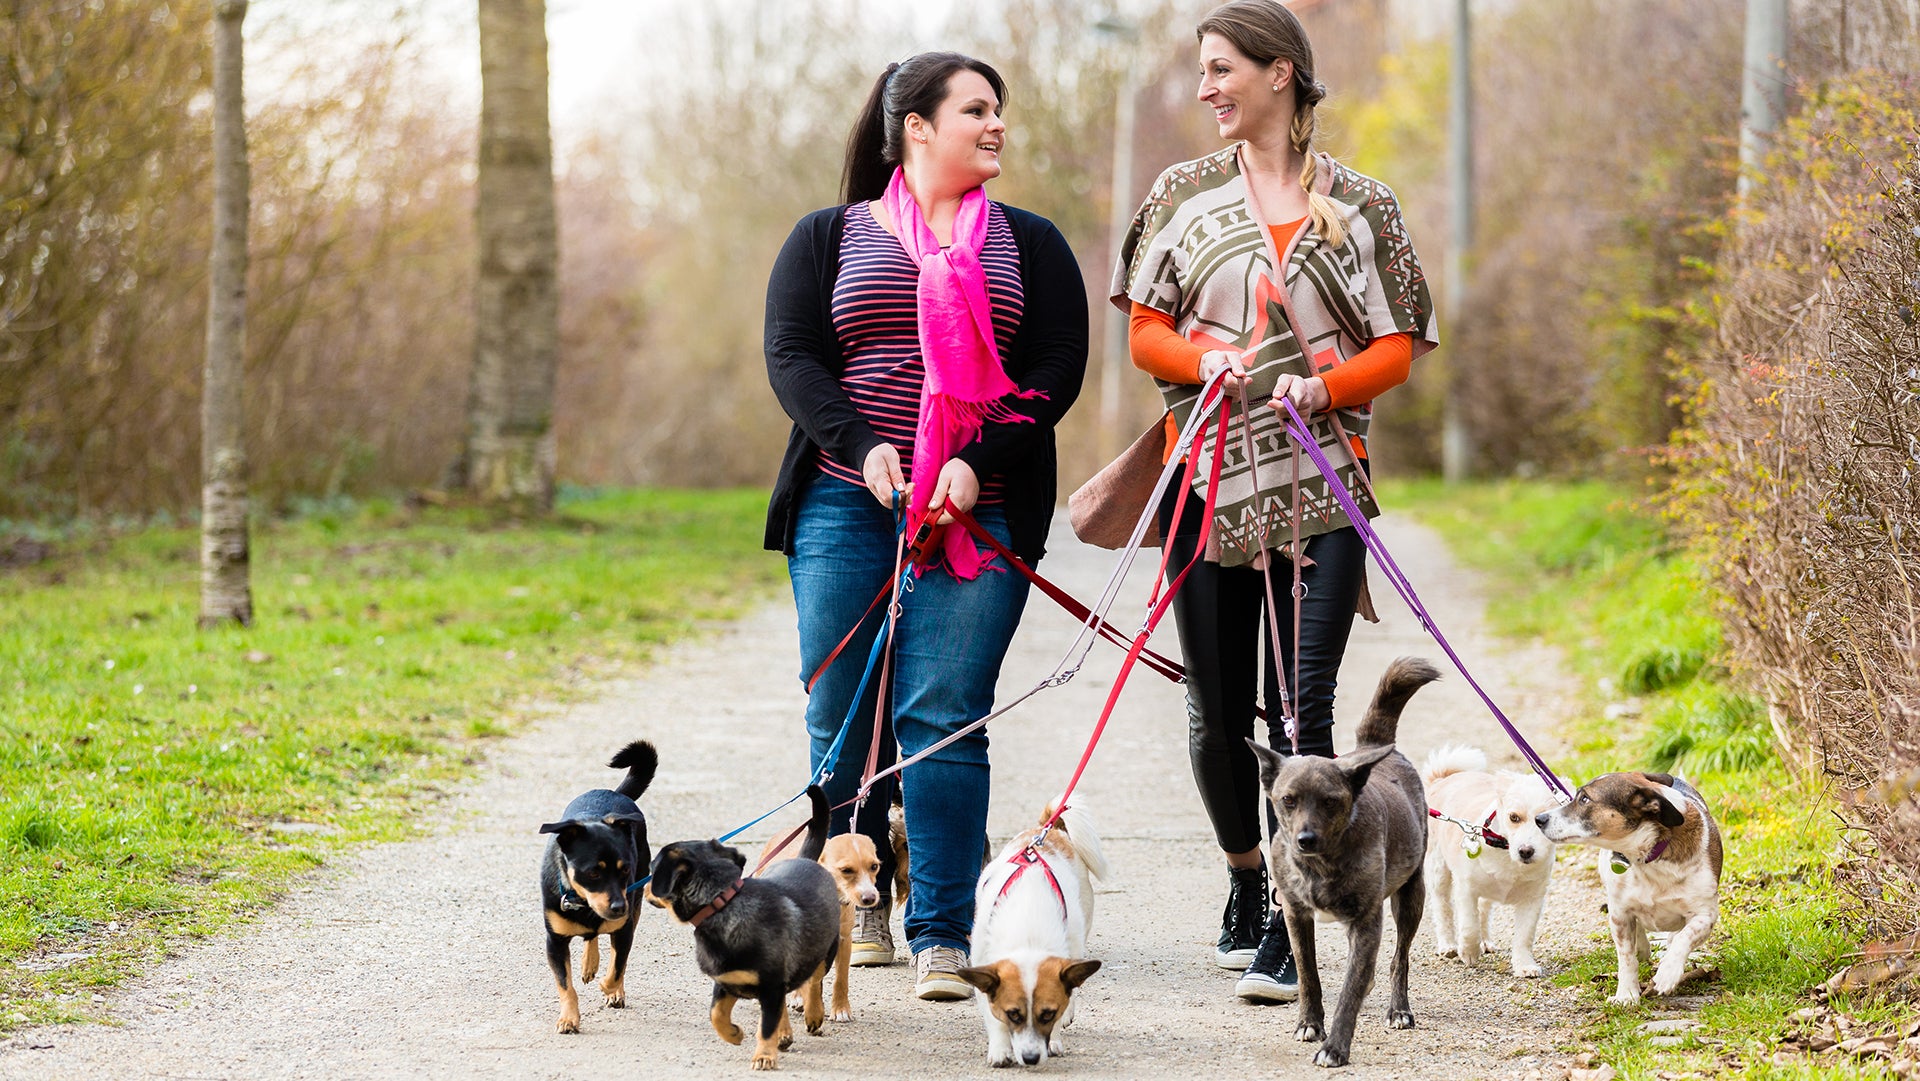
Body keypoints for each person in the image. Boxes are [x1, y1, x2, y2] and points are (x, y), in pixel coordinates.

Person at [1109, 0, 1437, 1004]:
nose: (1207, 88)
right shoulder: (1182, 193)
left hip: (1322, 483)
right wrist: (1213, 358)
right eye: (1204, 72)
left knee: (1306, 706)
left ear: (1280, 72)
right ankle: (1248, 883)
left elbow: (1399, 345)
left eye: (1221, 70)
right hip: (1206, 477)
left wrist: (1322, 385)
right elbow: (1144, 332)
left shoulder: (1364, 205)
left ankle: (1292, 917)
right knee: (1216, 712)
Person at [763, 52, 1088, 1002]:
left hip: (979, 513)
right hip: (843, 499)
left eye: (1000, 111)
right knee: (839, 712)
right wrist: (864, 446)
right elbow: (791, 356)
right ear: (916, 126)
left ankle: (943, 931)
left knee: (943, 716)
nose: (996, 126)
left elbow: (1055, 372)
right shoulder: (829, 236)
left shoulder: (1030, 243)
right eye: (976, 110)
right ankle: (845, 907)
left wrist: (973, 462)